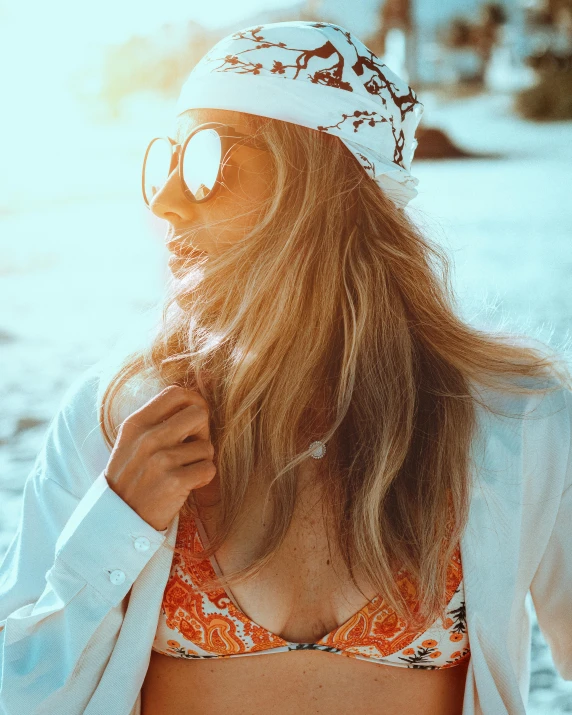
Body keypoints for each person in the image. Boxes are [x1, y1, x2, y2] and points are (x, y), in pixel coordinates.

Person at [0, 20, 571, 715]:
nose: (169, 202)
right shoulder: (121, 417)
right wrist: (115, 522)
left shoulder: (513, 414)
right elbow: (18, 691)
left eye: (208, 162)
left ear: (324, 181)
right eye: (166, 163)